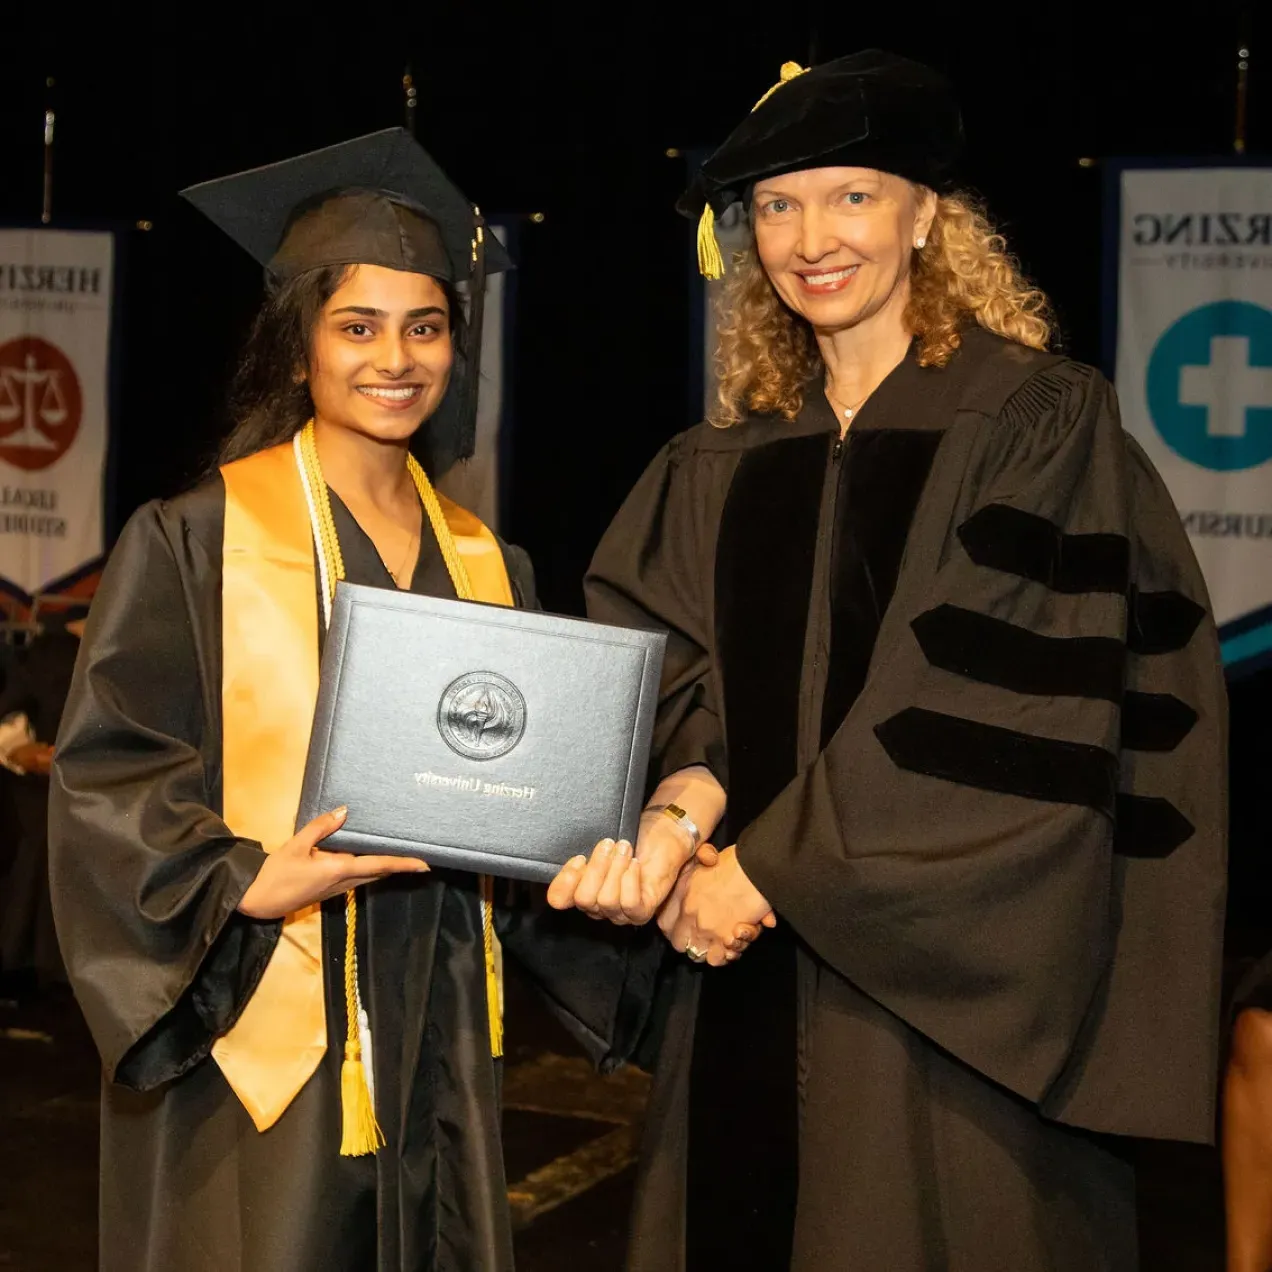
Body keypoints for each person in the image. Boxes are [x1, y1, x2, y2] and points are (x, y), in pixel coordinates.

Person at [549, 50, 1227, 1272]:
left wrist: (762, 874)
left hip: (942, 1003)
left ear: (926, 215)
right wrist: (678, 804)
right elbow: (670, 669)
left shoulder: (1034, 421)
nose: (812, 237)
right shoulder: (724, 459)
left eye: (851, 196)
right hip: (734, 975)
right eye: (775, 206)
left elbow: (984, 703)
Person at [49, 129, 654, 1272]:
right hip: (258, 1028)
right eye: (357, 326)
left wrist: (603, 867)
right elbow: (104, 776)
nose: (396, 358)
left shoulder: (494, 564)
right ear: (298, 351)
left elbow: (521, 804)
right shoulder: (196, 542)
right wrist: (241, 878)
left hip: (439, 1024)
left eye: (425, 327)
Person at [0, 608, 85, 991]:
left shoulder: (157, 642)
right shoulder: (50, 649)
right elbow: (13, 715)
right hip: (48, 794)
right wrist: (20, 750)